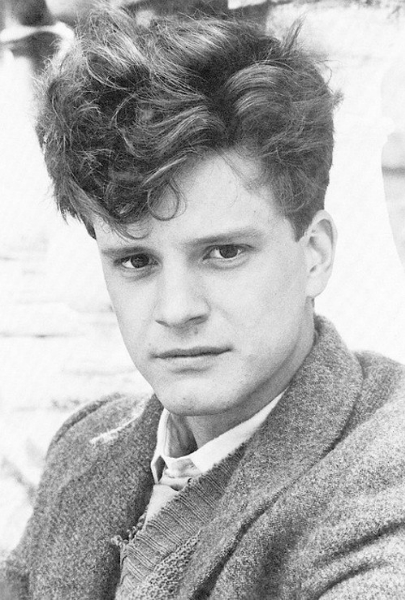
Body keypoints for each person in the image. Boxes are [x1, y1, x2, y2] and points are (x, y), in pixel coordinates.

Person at [2, 7, 405, 599]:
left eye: (224, 252)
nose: (176, 309)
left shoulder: (385, 478)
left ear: (315, 254)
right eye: (136, 261)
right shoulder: (88, 445)